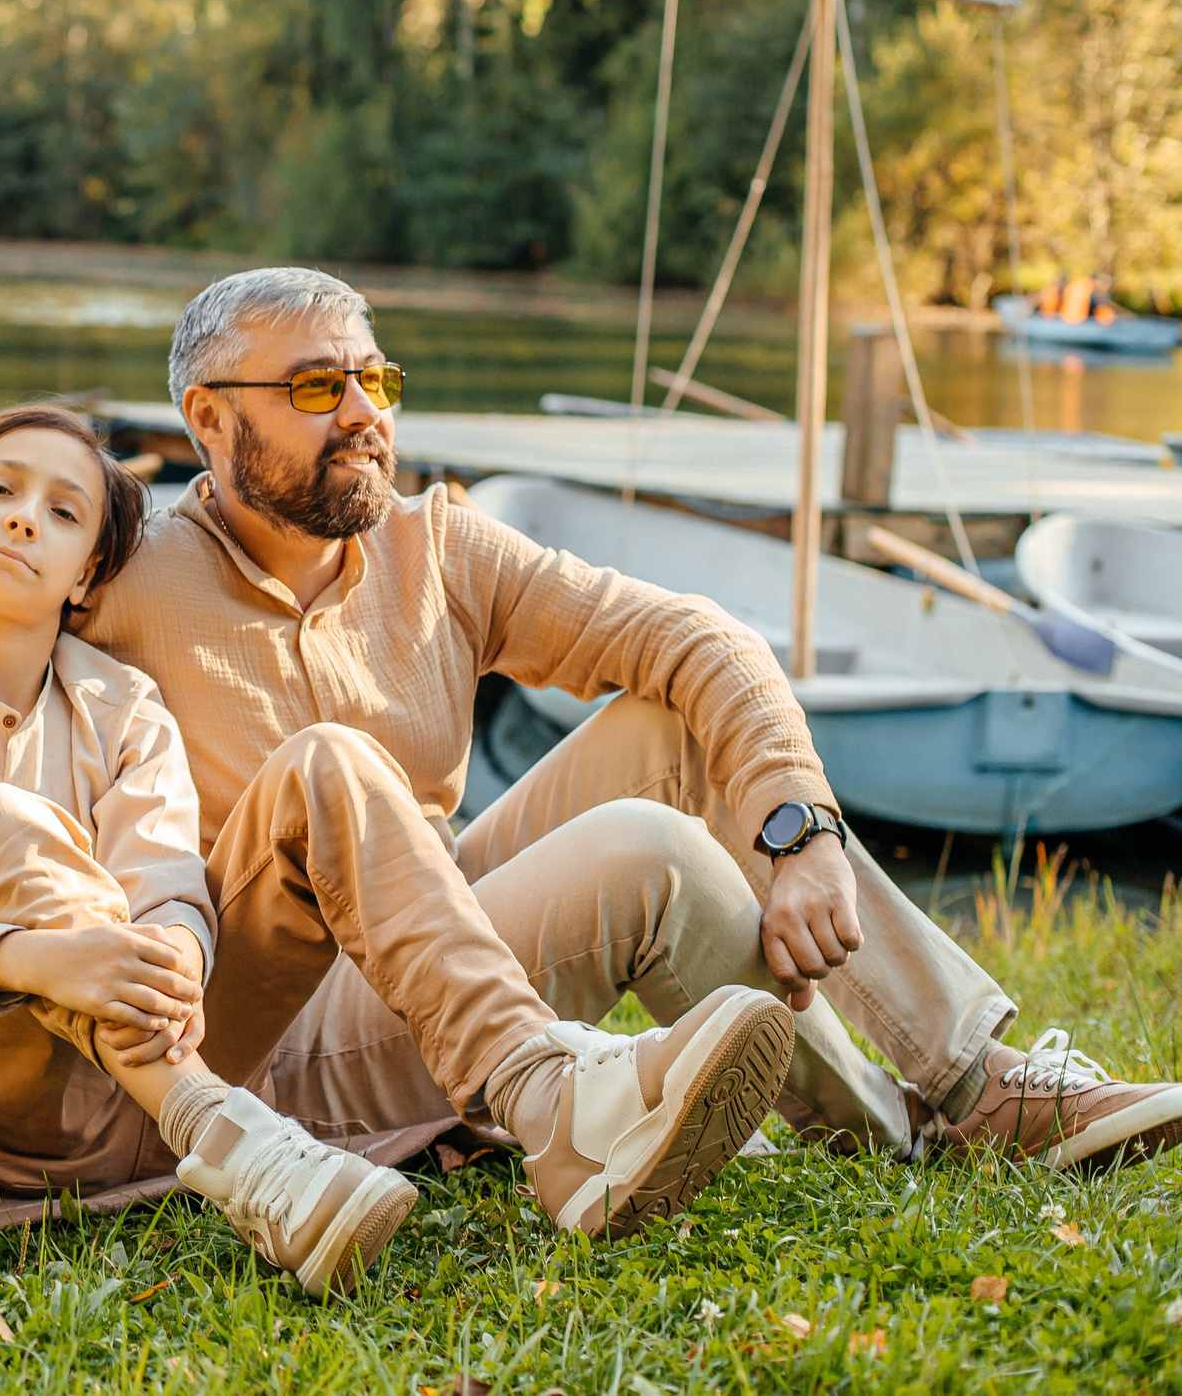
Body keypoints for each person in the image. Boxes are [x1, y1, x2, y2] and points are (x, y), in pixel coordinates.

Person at [75, 266, 1182, 1170]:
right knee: (647, 852)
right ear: (208, 419)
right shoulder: (118, 580)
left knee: (668, 730)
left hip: (443, 941)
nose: (366, 414)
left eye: (378, 380)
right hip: (267, 1030)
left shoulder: (435, 547)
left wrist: (800, 834)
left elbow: (698, 638)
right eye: (318, 389)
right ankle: (896, 1123)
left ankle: (966, 1082)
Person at [0, 405, 795, 1297]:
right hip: (0, 1107)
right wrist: (42, 958)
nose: (25, 517)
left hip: (159, 1058)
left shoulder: (123, 707)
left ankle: (542, 1093)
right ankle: (228, 1136)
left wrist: (174, 955)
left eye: (62, 511)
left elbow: (163, 874)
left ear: (86, 578)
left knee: (327, 758)